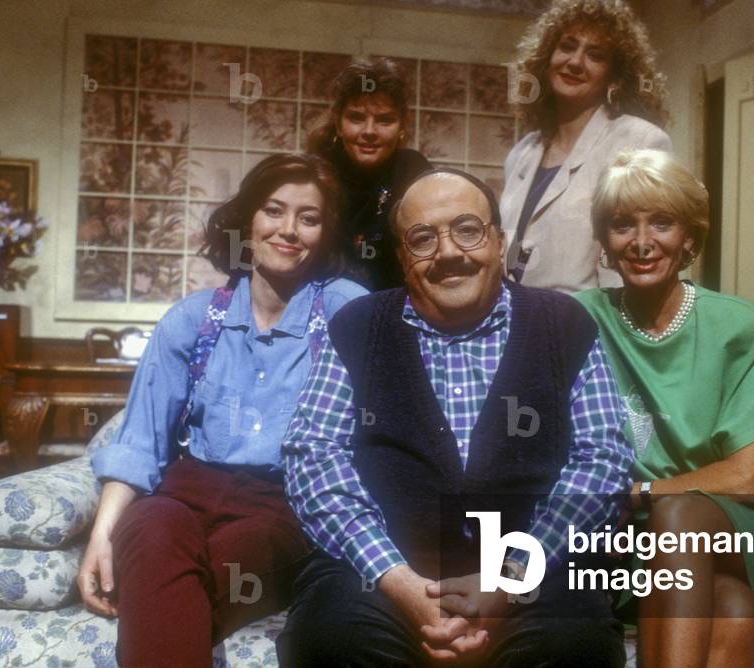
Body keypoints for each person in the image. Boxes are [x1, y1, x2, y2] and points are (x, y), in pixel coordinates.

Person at [279, 168, 634, 667]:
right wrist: (399, 582)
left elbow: (600, 462)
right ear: (403, 258)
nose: (448, 253)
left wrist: (507, 579)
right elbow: (313, 456)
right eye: (423, 239)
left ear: (499, 241)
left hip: (536, 563)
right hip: (382, 568)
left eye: (467, 229)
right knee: (332, 640)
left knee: (572, 646)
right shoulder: (357, 327)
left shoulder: (564, 324)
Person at [78, 153, 368, 668]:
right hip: (190, 487)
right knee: (148, 526)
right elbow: (141, 439)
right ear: (247, 221)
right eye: (273, 210)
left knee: (217, 563)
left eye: (309, 217)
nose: (289, 230)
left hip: (285, 504)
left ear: (326, 233)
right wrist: (102, 536)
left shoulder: (345, 307)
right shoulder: (193, 318)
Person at [574, 149, 754, 668]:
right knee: (733, 609)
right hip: (646, 543)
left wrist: (640, 491)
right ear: (604, 241)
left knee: (681, 514)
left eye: (662, 223)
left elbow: (746, 479)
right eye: (623, 225)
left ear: (689, 237)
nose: (642, 242)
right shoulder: (578, 320)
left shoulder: (741, 325)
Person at [500, 0, 672, 294]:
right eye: (567, 46)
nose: (575, 62)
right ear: (547, 57)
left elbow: (637, 258)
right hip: (516, 318)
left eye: (595, 55)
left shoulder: (639, 142)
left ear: (615, 77)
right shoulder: (522, 152)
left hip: (586, 324)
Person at [308, 58, 432, 291]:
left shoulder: (414, 171)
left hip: (394, 306)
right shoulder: (315, 172)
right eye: (356, 118)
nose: (369, 132)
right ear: (338, 122)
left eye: (385, 120)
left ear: (404, 124)